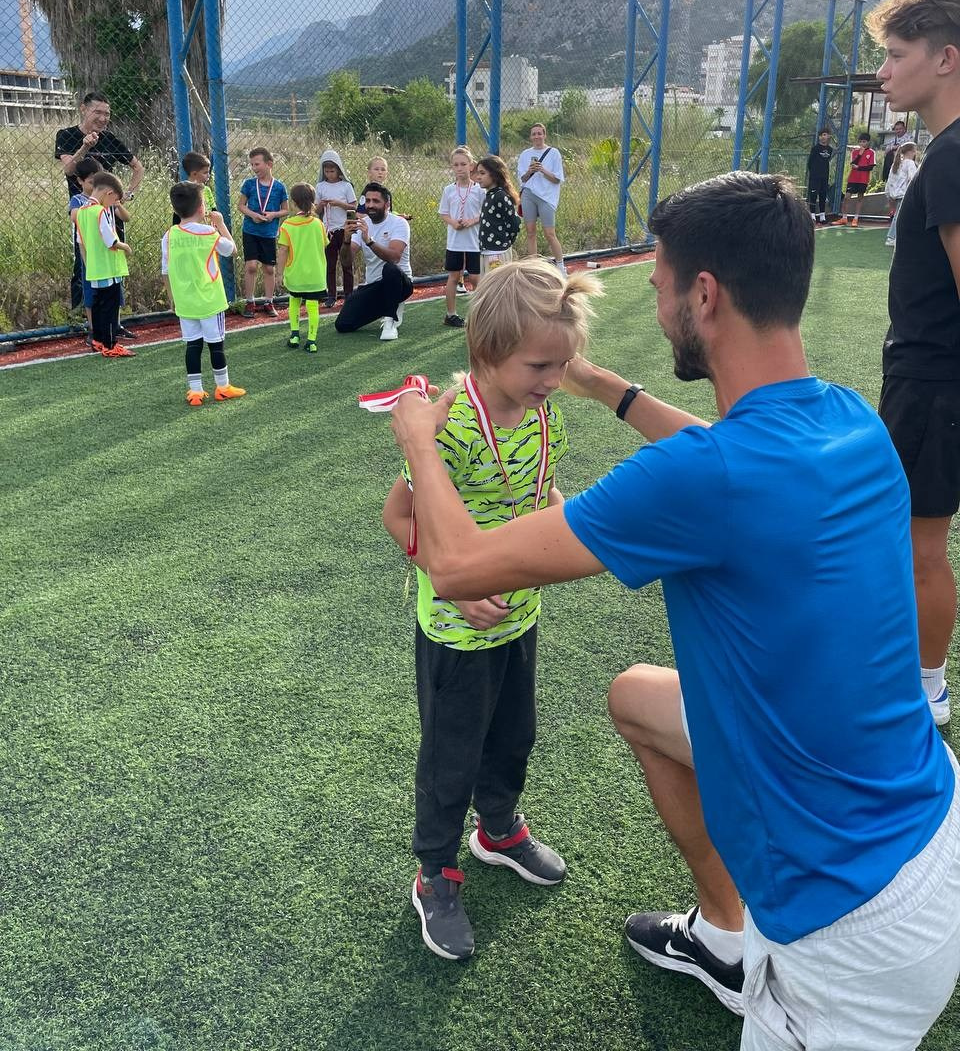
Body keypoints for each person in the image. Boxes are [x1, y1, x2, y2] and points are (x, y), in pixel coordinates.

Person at [390, 170, 960, 1049]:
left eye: (657, 287)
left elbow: (461, 564)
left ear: (704, 294)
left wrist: (418, 439)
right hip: (929, 816)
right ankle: (723, 937)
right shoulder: (847, 419)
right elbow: (717, 450)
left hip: (851, 920)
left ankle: (760, 950)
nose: (656, 306)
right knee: (638, 698)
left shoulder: (704, 480)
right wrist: (609, 389)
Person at [383, 260, 602, 961]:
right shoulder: (449, 429)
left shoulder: (544, 416)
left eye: (562, 366)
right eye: (540, 365)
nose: (552, 381)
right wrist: (456, 583)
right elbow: (398, 515)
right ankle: (435, 873)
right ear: (487, 353)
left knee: (514, 735)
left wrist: (568, 528)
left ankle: (498, 830)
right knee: (452, 756)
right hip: (456, 628)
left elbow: (542, 493)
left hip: (521, 615)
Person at [871, 0, 960, 728]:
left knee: (919, 546)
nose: (884, 71)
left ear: (946, 59)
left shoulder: (955, 156)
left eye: (896, 55)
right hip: (925, 378)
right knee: (908, 539)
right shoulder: (947, 154)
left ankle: (926, 692)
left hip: (935, 383)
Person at [56, 91, 143, 334]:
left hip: (110, 217)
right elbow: (69, 168)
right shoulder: (67, 135)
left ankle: (114, 324)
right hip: (87, 220)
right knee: (86, 270)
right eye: (98, 112)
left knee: (115, 268)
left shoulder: (111, 138)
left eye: (107, 113)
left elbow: (138, 167)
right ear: (83, 109)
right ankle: (91, 325)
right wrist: (85, 147)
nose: (103, 118)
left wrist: (126, 194)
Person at [162, 182, 246, 405]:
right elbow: (232, 250)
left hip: (185, 302)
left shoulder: (169, 235)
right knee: (215, 344)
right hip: (210, 300)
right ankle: (222, 387)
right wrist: (220, 224)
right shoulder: (209, 232)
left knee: (193, 345)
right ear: (201, 208)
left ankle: (196, 391)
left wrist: (172, 298)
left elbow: (165, 270)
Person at [335, 183, 412, 341]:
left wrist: (369, 241)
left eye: (376, 201)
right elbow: (346, 261)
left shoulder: (399, 223)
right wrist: (347, 240)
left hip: (400, 284)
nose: (370, 205)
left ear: (387, 204)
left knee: (390, 269)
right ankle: (387, 305)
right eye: (368, 201)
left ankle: (391, 320)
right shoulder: (362, 225)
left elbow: (394, 257)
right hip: (375, 286)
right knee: (343, 324)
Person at [72, 171, 134, 358]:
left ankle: (98, 340)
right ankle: (110, 344)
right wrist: (126, 247)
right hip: (109, 267)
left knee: (98, 304)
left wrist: (88, 264)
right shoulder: (100, 211)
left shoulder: (81, 212)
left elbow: (80, 242)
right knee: (110, 305)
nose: (113, 204)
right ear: (108, 193)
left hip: (94, 267)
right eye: (114, 199)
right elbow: (110, 241)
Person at [238, 146, 288, 318]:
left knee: (268, 268)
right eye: (252, 164)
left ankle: (269, 301)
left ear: (269, 164)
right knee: (251, 266)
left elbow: (285, 210)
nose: (254, 168)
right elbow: (241, 206)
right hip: (250, 231)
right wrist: (253, 215)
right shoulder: (249, 184)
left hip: (269, 233)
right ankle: (250, 301)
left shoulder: (280, 187)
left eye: (257, 164)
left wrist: (273, 214)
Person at [277, 183, 328, 353]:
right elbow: (324, 244)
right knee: (313, 306)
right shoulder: (318, 224)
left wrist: (280, 273)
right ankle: (312, 341)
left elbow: (283, 250)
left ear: (293, 202)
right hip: (315, 276)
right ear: (313, 201)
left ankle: (294, 335)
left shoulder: (287, 225)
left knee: (294, 301)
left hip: (295, 275)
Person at [439, 146, 484, 328]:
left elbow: (484, 213)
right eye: (456, 165)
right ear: (452, 167)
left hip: (474, 242)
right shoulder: (449, 190)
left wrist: (473, 221)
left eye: (463, 164)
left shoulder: (480, 189)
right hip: (455, 242)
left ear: (471, 165)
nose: (460, 168)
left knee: (475, 278)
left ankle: (481, 314)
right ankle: (451, 314)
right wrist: (453, 222)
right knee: (453, 276)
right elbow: (443, 213)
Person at [517, 123, 566, 273]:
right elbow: (522, 179)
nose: (537, 136)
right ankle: (534, 267)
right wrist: (529, 171)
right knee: (530, 232)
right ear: (530, 137)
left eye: (539, 133)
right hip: (529, 195)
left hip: (547, 197)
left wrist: (542, 170)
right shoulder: (525, 154)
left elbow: (557, 179)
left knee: (549, 233)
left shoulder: (553, 153)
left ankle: (560, 266)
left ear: (544, 135)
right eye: (534, 134)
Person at [314, 149, 356, 308]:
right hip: (328, 230)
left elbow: (353, 207)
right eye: (326, 170)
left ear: (338, 170)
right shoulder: (320, 186)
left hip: (344, 230)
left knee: (346, 263)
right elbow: (316, 211)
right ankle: (331, 295)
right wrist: (322, 205)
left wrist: (339, 204)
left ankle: (349, 294)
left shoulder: (346, 186)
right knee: (330, 264)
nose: (329, 173)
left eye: (332, 170)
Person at [476, 155, 522, 272]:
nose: (478, 177)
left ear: (494, 175)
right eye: (478, 173)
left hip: (497, 252)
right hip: (487, 250)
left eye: (482, 173)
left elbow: (515, 222)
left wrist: (505, 242)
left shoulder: (500, 196)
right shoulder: (490, 195)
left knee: (498, 286)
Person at [884, 142, 919, 249]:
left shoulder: (897, 163)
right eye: (915, 150)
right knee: (899, 216)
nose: (915, 152)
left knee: (900, 215)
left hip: (897, 194)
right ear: (911, 151)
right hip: (905, 194)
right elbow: (913, 178)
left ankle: (898, 237)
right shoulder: (910, 163)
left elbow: (890, 180)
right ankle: (891, 237)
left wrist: (889, 194)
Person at [838, 132, 876, 226]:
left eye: (864, 142)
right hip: (853, 179)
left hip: (863, 179)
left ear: (868, 142)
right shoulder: (854, 152)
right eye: (860, 142)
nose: (862, 144)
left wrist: (859, 167)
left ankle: (855, 218)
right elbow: (853, 163)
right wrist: (860, 154)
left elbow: (870, 167)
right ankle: (844, 217)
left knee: (860, 198)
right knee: (847, 197)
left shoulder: (871, 152)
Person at [805, 127, 833, 223]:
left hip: (824, 177)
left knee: (822, 195)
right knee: (813, 195)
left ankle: (822, 216)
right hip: (815, 176)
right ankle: (812, 215)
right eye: (823, 135)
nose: (824, 137)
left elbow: (827, 161)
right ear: (820, 137)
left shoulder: (830, 149)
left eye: (826, 135)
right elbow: (810, 162)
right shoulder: (815, 148)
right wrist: (813, 172)